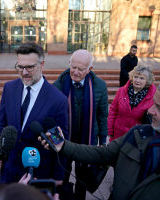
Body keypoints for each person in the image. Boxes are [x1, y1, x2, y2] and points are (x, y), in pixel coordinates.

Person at [40, 77, 160, 200]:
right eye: (153, 103)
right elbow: (102, 154)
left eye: (159, 108)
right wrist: (63, 146)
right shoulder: (138, 134)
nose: (150, 110)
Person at [0, 42, 69, 185]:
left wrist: (58, 177)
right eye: (20, 67)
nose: (24, 72)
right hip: (8, 172)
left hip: (38, 175)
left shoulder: (58, 100)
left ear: (42, 65)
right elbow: (2, 124)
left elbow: (60, 143)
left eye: (29, 67)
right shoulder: (9, 88)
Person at [53, 49, 108, 200]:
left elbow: (102, 115)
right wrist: (55, 142)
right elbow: (51, 117)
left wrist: (103, 142)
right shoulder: (58, 85)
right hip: (64, 139)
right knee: (62, 172)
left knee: (82, 177)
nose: (75, 72)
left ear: (90, 69)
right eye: (73, 67)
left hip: (87, 140)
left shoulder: (100, 86)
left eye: (81, 69)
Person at [108, 65, 156, 141]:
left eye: (142, 78)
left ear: (147, 81)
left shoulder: (153, 97)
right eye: (136, 77)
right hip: (117, 135)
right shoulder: (121, 91)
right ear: (132, 77)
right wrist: (110, 130)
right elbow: (113, 111)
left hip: (136, 138)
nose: (137, 80)